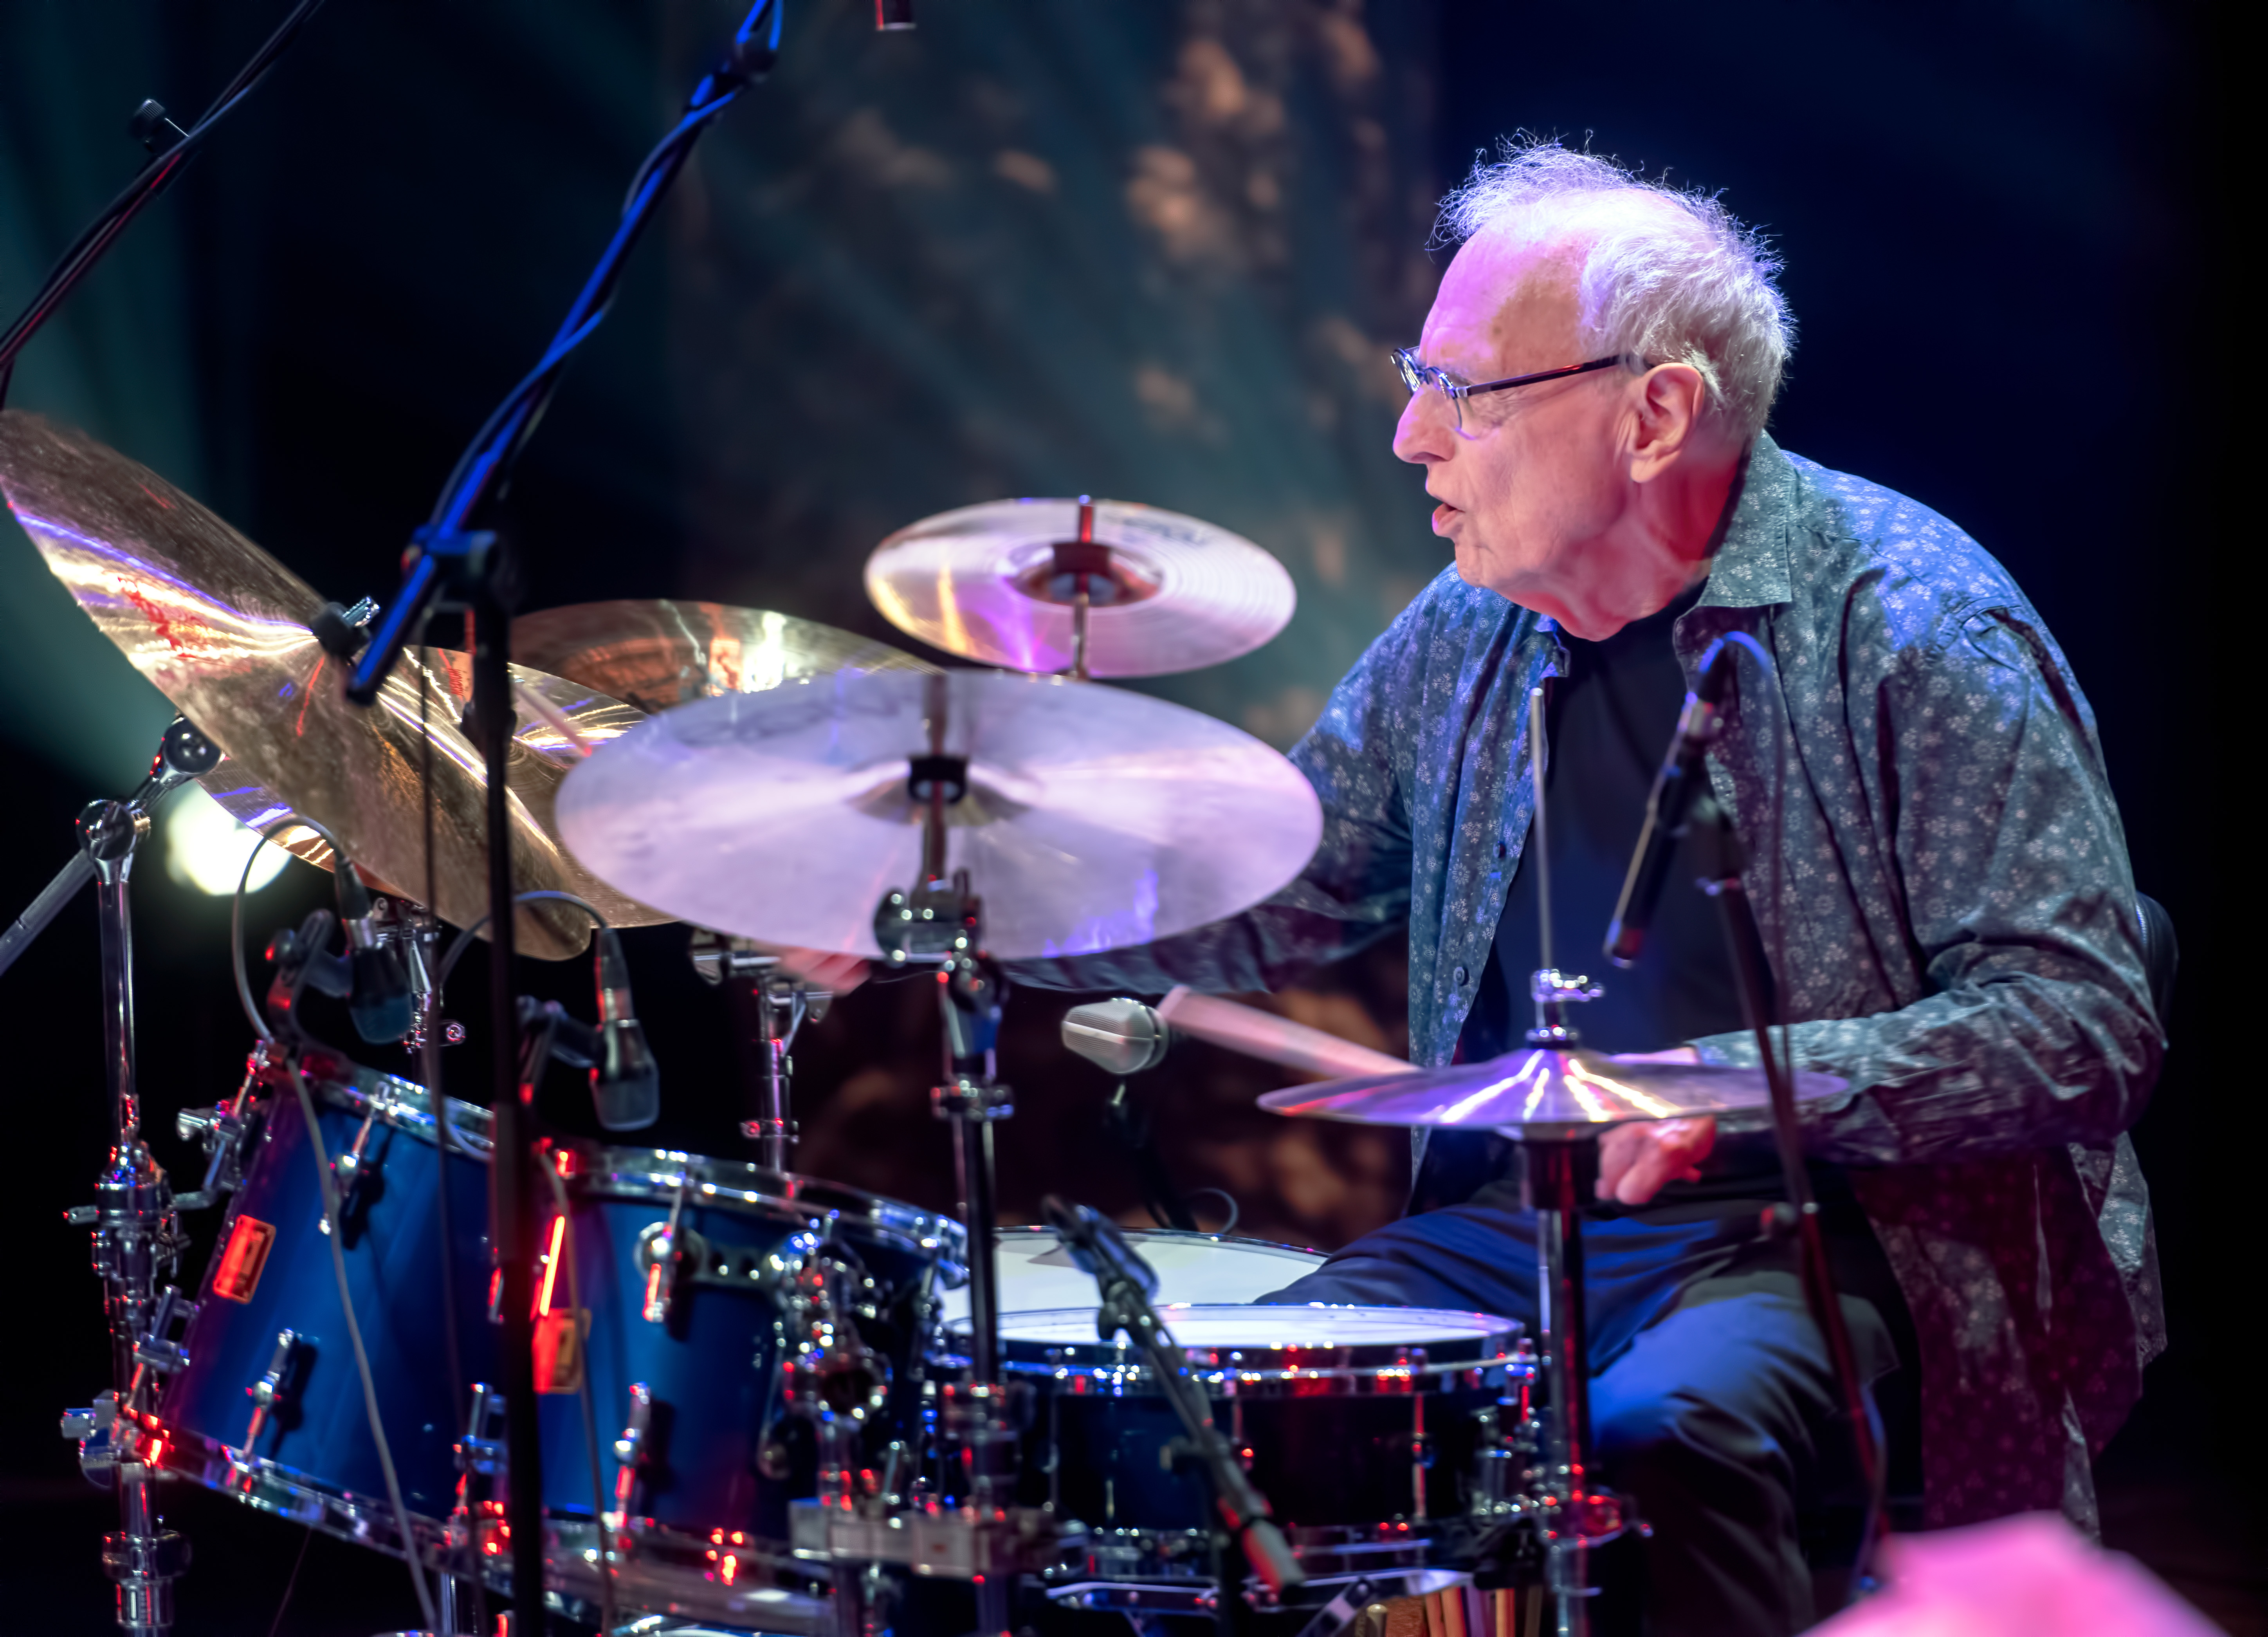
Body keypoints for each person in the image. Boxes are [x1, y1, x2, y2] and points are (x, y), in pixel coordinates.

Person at [791, 141, 2165, 1634]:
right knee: (1235, 1430)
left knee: (1661, 1433)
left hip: (1858, 1234)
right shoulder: (1472, 628)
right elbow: (1279, 889)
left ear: (1653, 413)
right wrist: (944, 900)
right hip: (1530, 1218)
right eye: (1415, 380)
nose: (1408, 438)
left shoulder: (1911, 625)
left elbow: (2082, 1019)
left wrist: (1735, 1088)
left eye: (1461, 392)